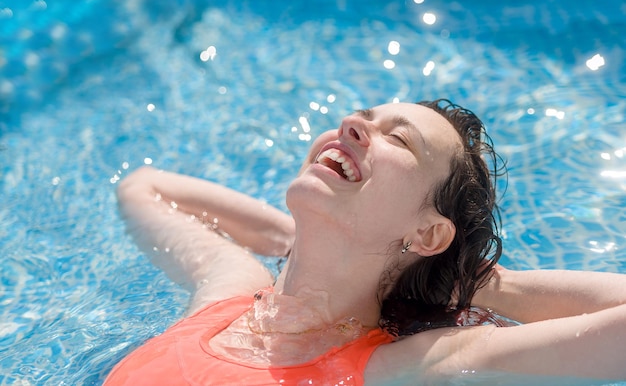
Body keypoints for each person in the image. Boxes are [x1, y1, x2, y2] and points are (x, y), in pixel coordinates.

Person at [104, 100, 626, 385]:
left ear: (427, 233)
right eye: (363, 117)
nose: (351, 124)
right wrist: (300, 233)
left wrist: (479, 283)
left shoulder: (404, 367)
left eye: (398, 140)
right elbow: (144, 189)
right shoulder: (228, 298)